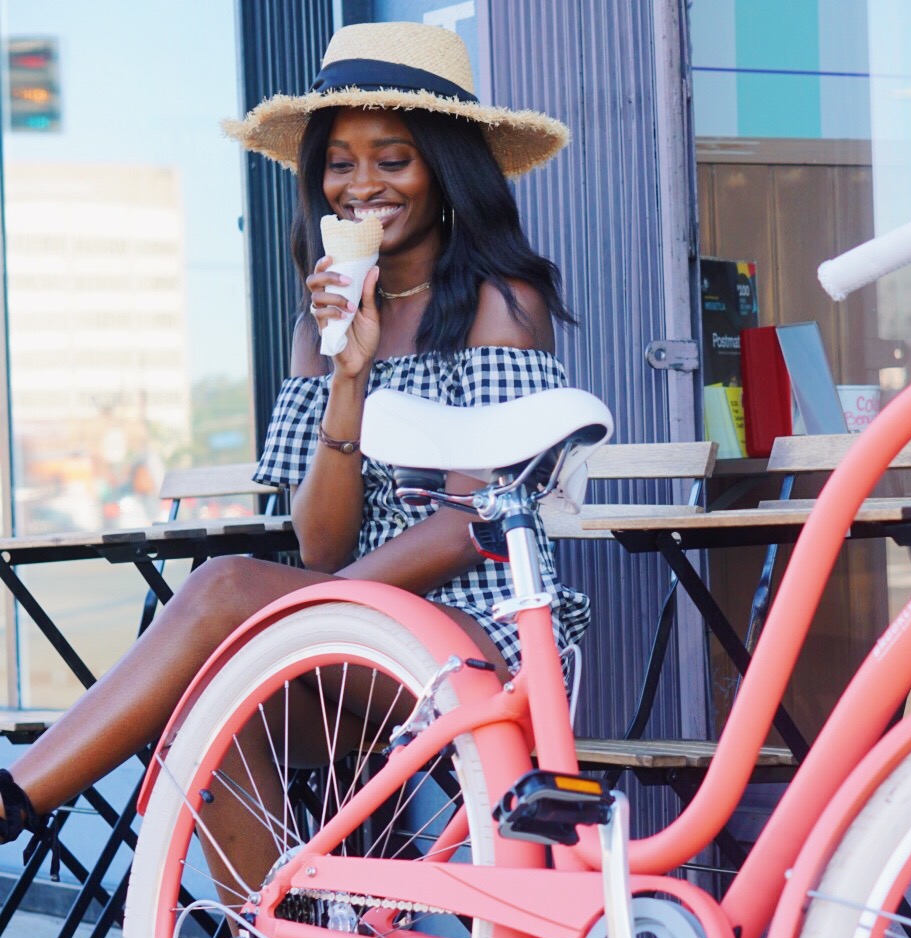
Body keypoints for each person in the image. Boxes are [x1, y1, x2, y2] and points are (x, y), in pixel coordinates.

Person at [0, 23, 586, 864]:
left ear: (445, 169)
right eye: (339, 164)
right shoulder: (324, 324)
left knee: (223, 588)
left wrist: (317, 610)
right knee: (192, 702)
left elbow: (471, 524)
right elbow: (321, 541)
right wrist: (348, 371)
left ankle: (15, 798)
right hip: (356, 637)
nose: (361, 186)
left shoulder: (501, 298)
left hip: (482, 640)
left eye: (393, 159)